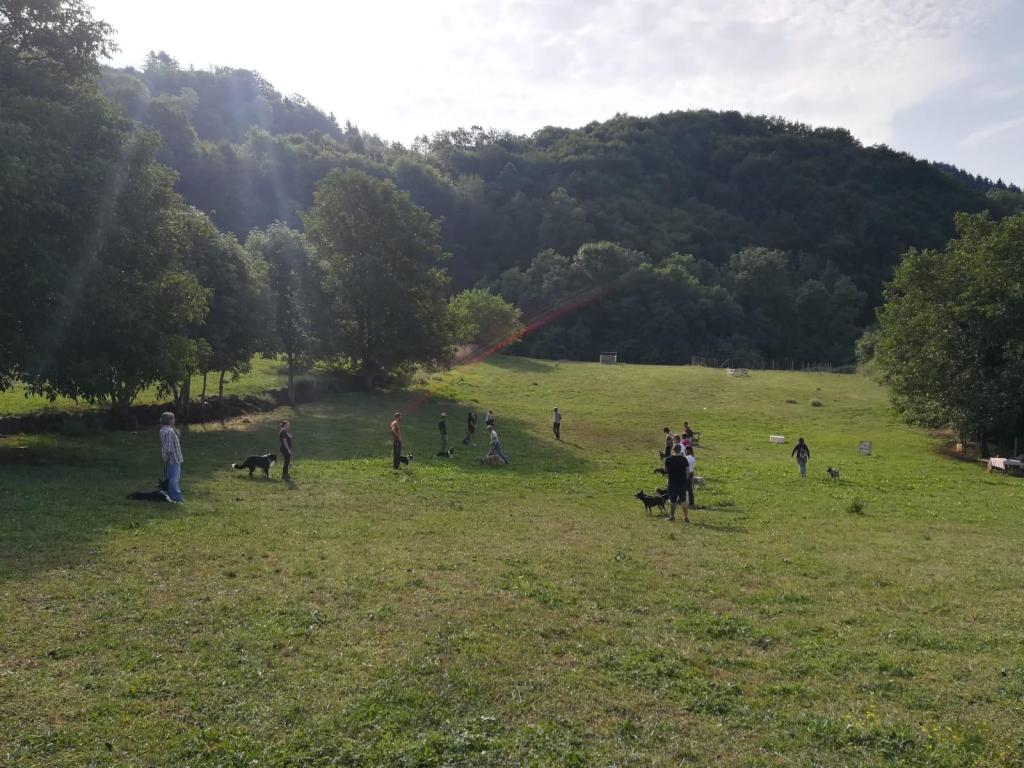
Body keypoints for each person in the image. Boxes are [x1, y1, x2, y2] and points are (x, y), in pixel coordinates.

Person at [159, 412, 184, 502]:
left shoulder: (163, 430)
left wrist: (173, 426)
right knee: (174, 478)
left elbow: (178, 435)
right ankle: (176, 497)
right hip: (173, 459)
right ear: (169, 420)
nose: (174, 420)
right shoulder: (169, 431)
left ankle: (170, 494)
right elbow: (169, 448)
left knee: (169, 478)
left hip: (168, 458)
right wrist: (168, 459)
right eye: (173, 419)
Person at [663, 443, 690, 522]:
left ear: (673, 449)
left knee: (673, 501)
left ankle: (672, 516)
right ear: (680, 450)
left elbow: (665, 471)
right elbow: (687, 471)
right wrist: (685, 480)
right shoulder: (684, 459)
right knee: (683, 500)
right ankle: (686, 517)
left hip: (672, 482)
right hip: (682, 483)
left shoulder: (668, 459)